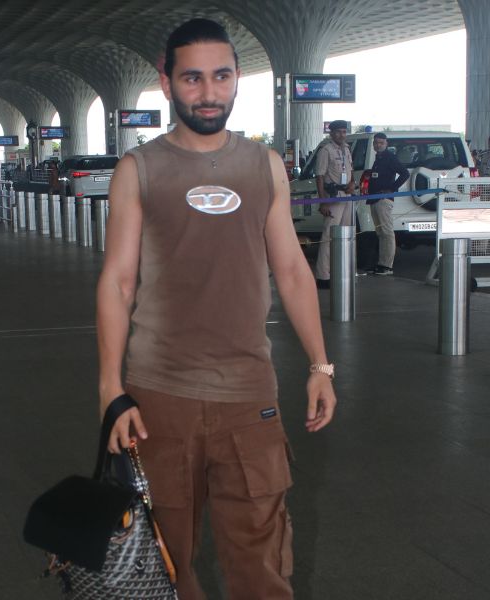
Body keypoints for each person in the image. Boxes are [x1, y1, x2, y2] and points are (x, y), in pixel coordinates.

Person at [96, 18, 337, 600]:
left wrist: (320, 365)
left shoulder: (263, 165)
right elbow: (119, 282)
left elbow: (292, 270)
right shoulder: (139, 170)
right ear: (167, 82)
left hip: (249, 396)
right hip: (159, 398)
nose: (209, 92)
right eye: (193, 78)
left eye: (221, 76)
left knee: (262, 566)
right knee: (165, 565)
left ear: (236, 79)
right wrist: (110, 390)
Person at [313, 119, 354, 289]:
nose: (342, 135)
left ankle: (341, 271)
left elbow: (350, 171)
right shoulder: (326, 150)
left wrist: (352, 183)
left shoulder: (347, 149)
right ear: (331, 133)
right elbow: (320, 177)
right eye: (338, 132)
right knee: (329, 235)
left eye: (344, 132)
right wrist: (323, 202)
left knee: (346, 235)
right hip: (333, 196)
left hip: (347, 195)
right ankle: (323, 275)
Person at [366, 132, 409, 276]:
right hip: (375, 199)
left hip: (383, 200)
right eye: (376, 143)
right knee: (381, 233)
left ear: (386, 144)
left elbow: (405, 173)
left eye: (381, 143)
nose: (378, 145)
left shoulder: (390, 157)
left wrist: (391, 189)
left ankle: (387, 266)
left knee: (387, 232)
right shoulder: (378, 158)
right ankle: (381, 263)